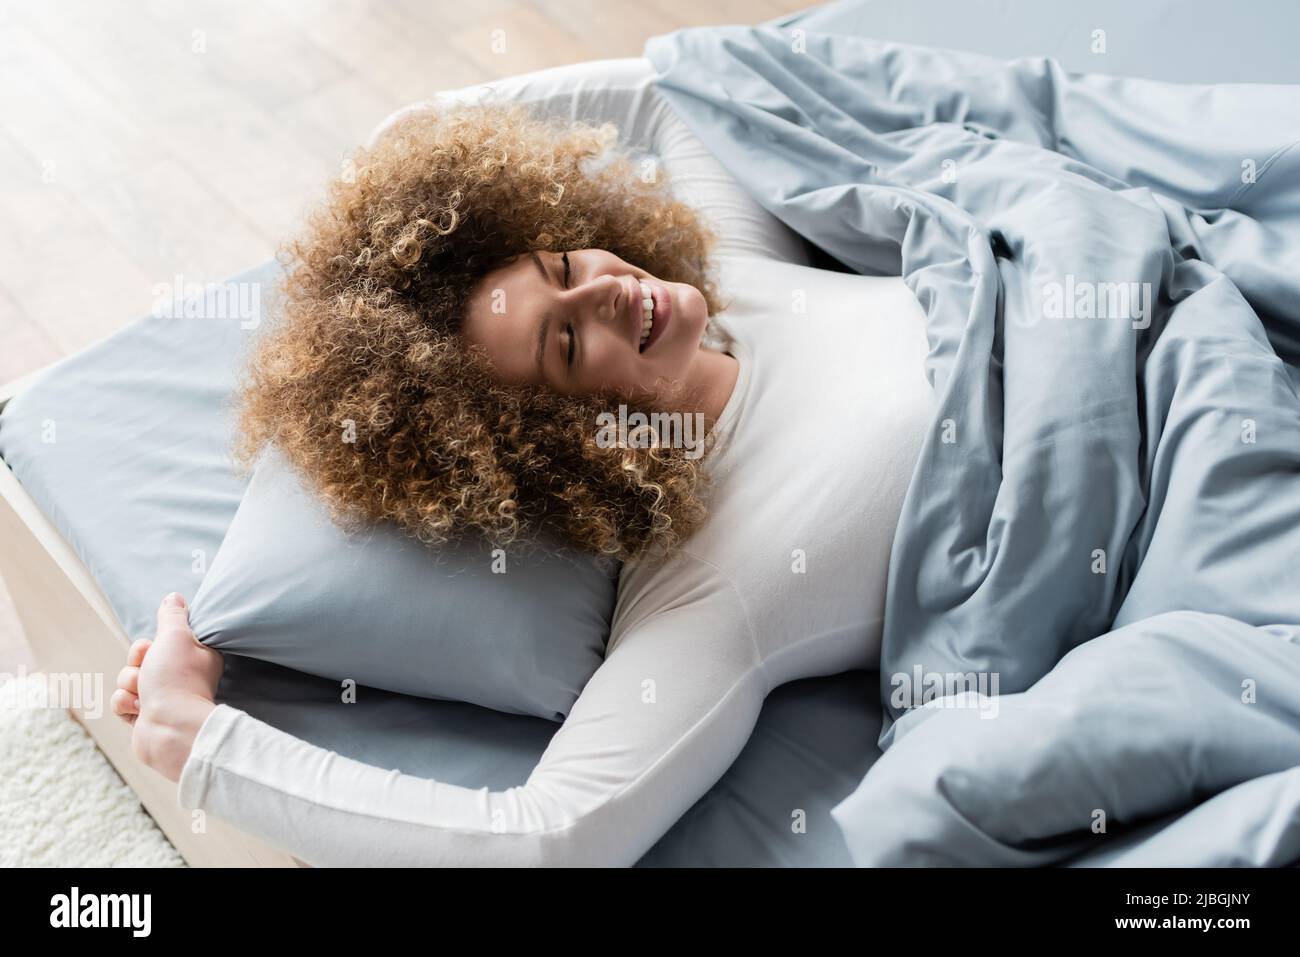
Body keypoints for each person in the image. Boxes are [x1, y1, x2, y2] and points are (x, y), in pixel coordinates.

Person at [112, 99, 936, 865]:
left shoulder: (736, 279)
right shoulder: (719, 585)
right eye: (567, 343)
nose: (610, 290)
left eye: (566, 264)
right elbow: (548, 840)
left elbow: (678, 93)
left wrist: (405, 129)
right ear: (556, 442)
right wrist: (195, 738)